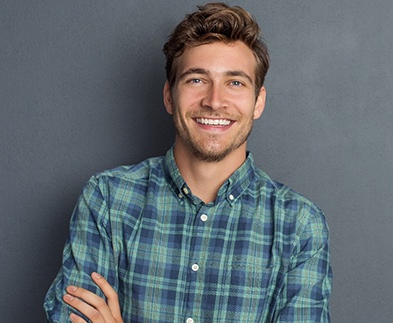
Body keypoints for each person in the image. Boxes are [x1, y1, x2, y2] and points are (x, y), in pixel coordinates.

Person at [44, 2, 332, 322]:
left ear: (258, 102)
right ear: (170, 96)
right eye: (196, 79)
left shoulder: (298, 224)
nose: (214, 100)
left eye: (235, 82)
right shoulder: (107, 199)